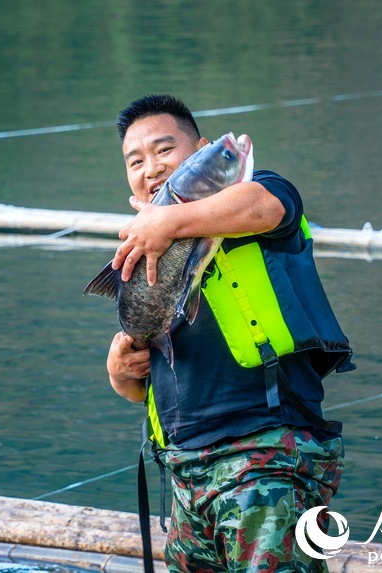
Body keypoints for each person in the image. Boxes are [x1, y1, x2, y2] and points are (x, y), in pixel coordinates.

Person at [106, 94, 354, 573]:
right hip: (183, 472)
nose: (150, 167)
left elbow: (265, 208)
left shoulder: (257, 190)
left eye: (164, 150)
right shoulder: (146, 250)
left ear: (199, 150)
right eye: (135, 160)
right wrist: (120, 374)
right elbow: (147, 380)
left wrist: (169, 217)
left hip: (266, 456)